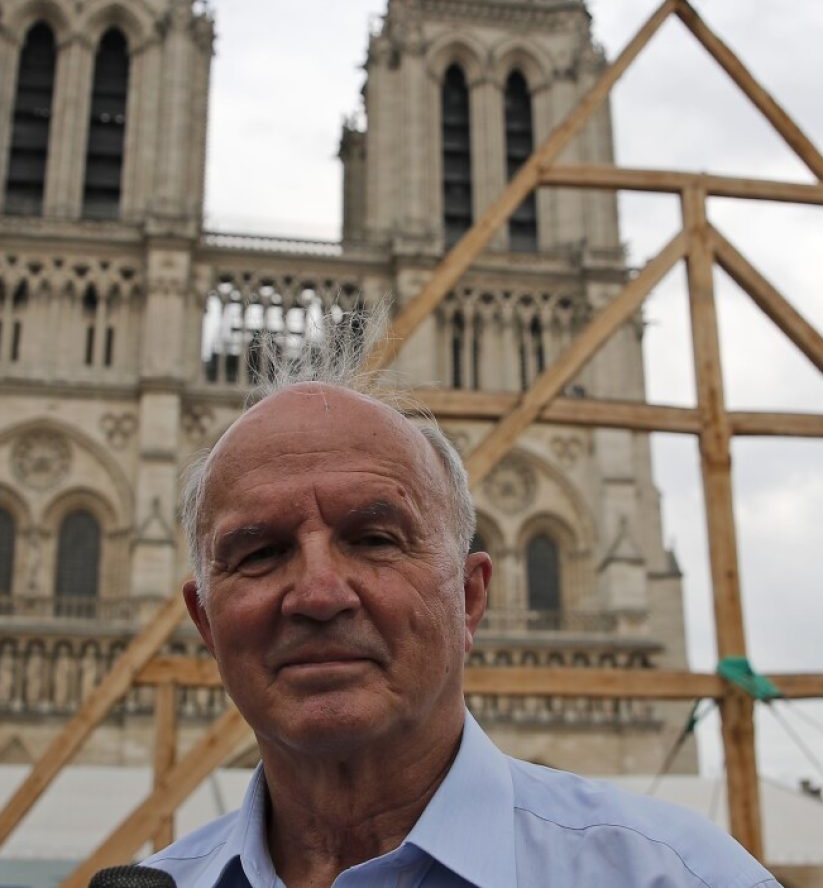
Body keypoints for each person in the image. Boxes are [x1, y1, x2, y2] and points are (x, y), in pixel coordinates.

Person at [147, 325, 779, 888]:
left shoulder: (677, 877)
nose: (318, 595)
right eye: (260, 553)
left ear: (471, 598)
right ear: (205, 621)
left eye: (374, 541)